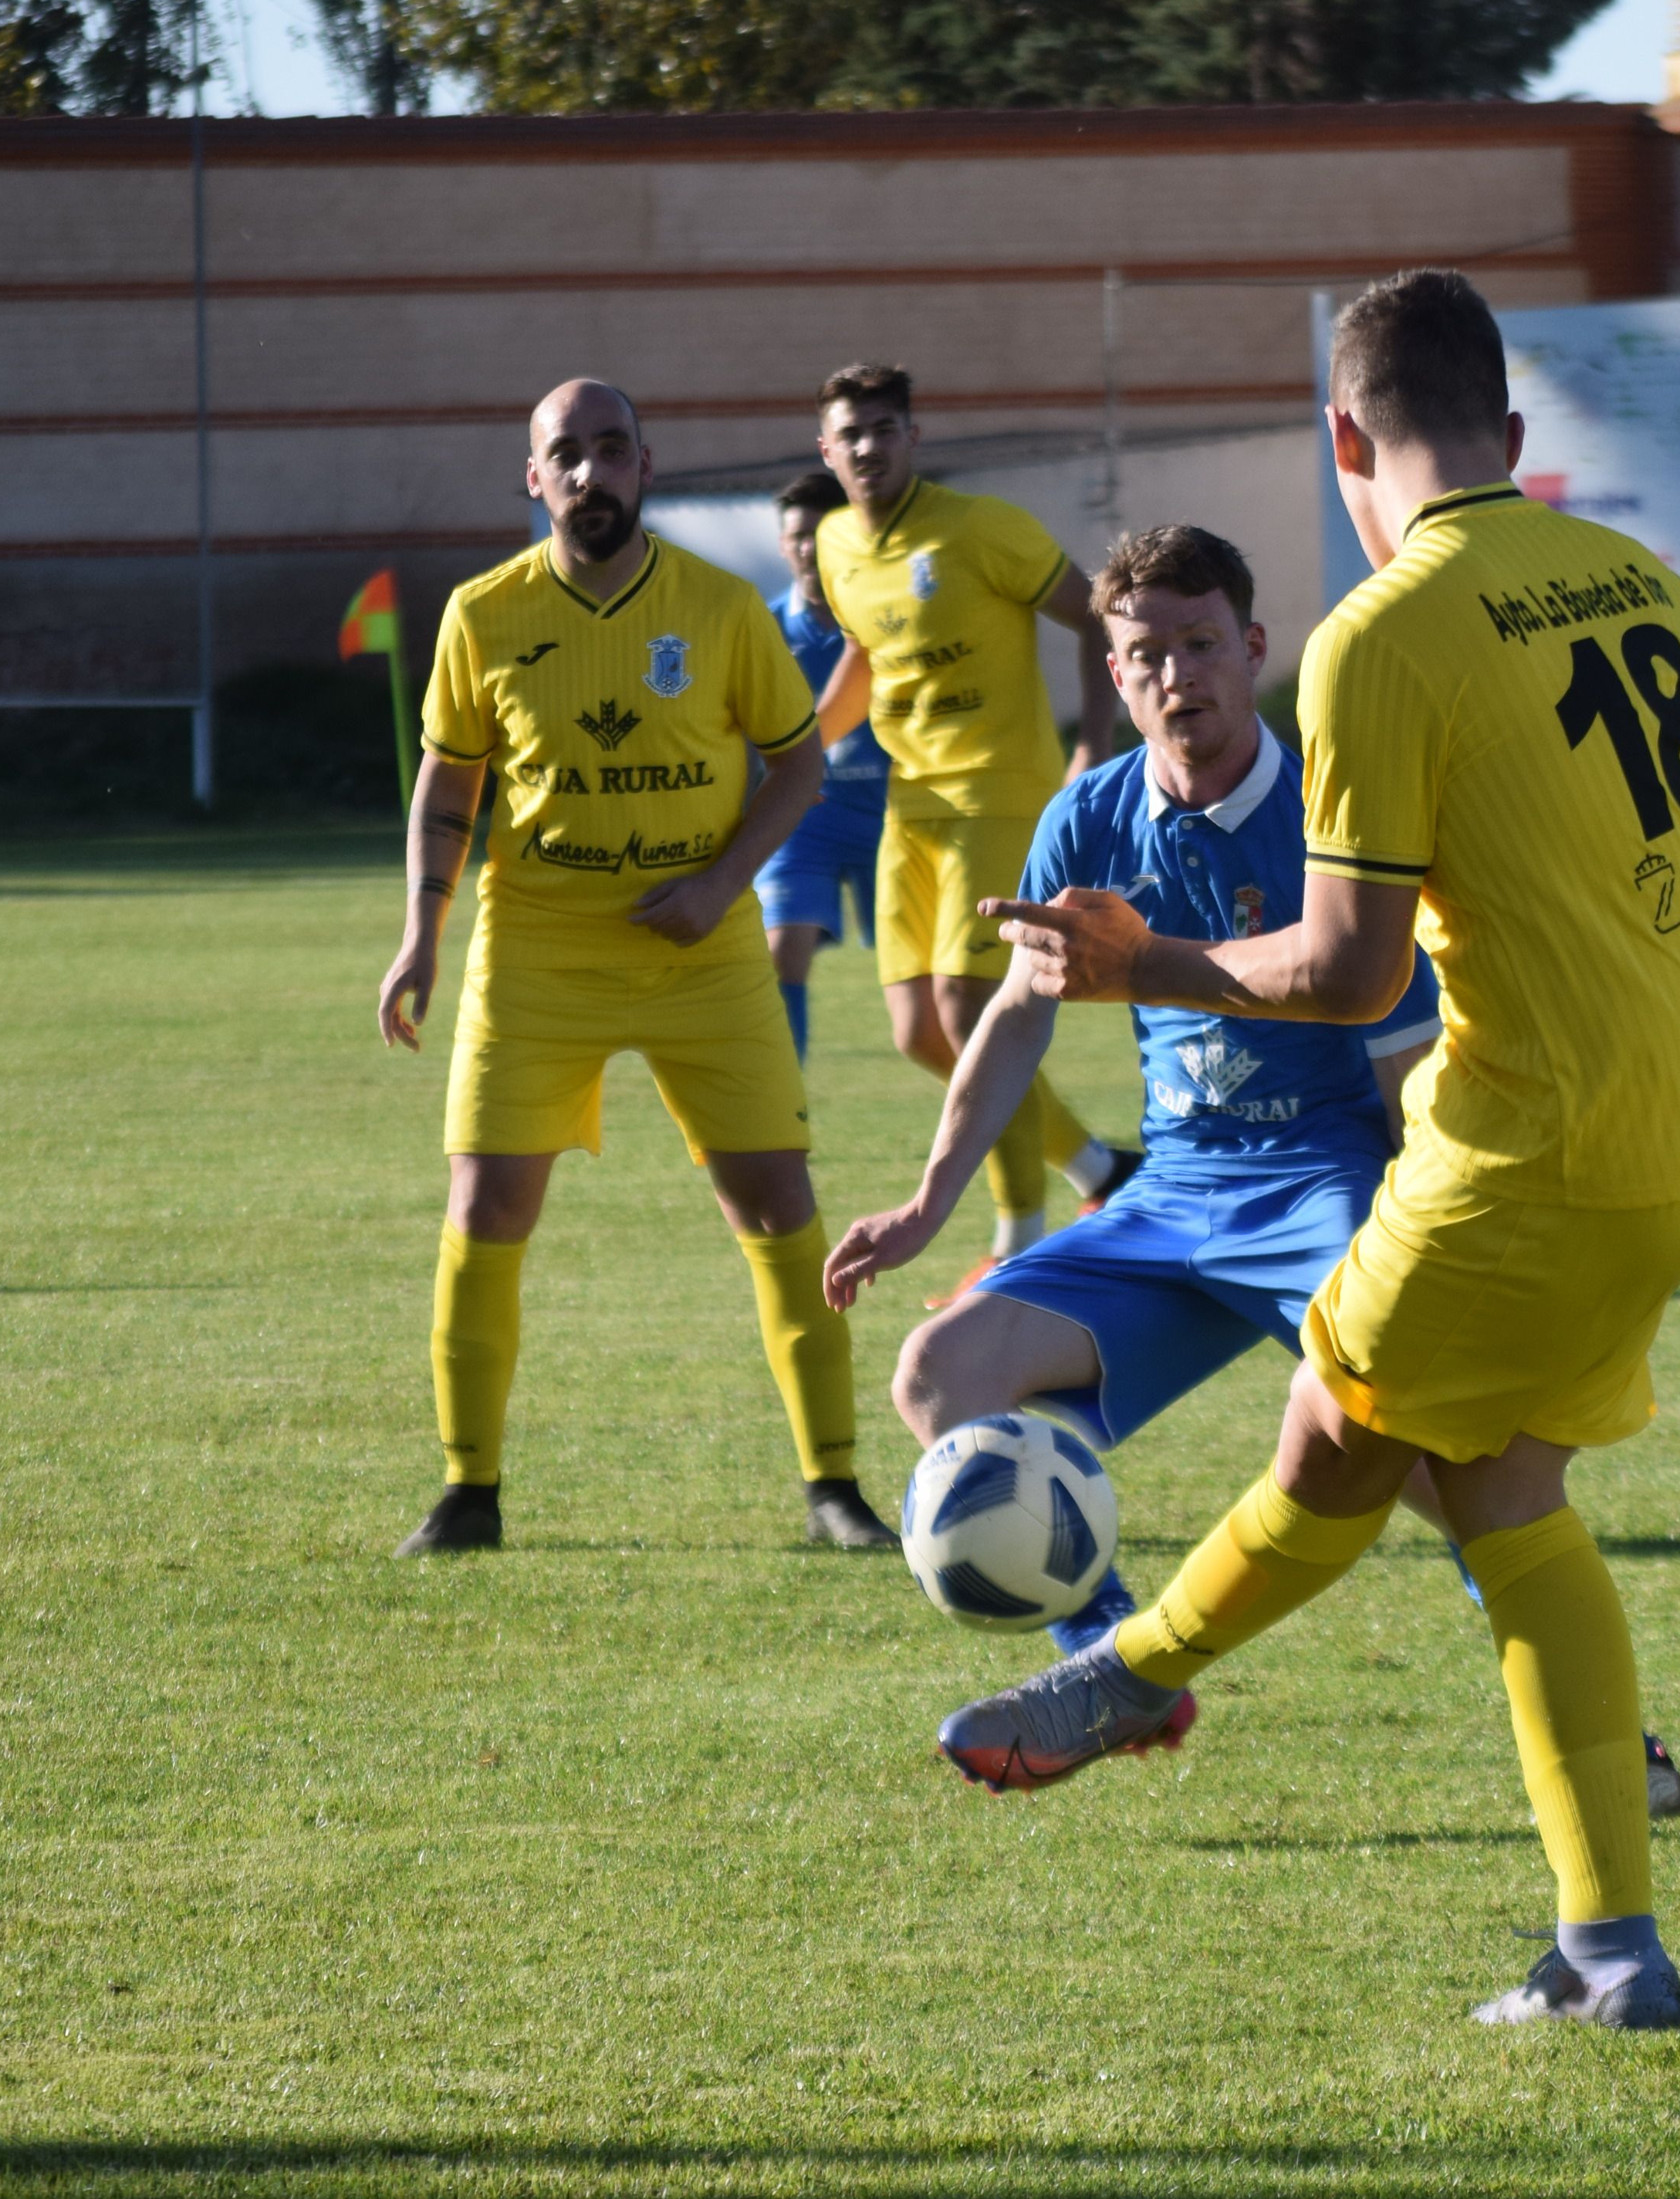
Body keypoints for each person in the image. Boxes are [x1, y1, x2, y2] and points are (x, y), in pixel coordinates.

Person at [929, 270, 1680, 2032]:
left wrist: (1146, 962)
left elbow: (1348, 971)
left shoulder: (1385, 632)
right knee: (1497, 1484)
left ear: (1344, 437)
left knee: (1337, 1438)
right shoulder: (1633, 576)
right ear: (1513, 438)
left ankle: (1132, 1673)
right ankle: (1609, 1946)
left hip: (1537, 1146)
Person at [822, 521, 1680, 1817]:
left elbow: (1411, 1060)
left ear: (1252, 649)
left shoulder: (1336, 811)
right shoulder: (1090, 814)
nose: (1177, 676)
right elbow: (1016, 1014)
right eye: (1143, 656)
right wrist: (928, 1201)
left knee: (1444, 1466)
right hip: (1174, 1197)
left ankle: (1617, 1751)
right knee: (941, 1376)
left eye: (1198, 644)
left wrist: (1449, 1228)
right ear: (1115, 678)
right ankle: (1115, 1664)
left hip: (1328, 1186)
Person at [377, 378, 889, 1557]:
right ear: (535, 477)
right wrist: (423, 932)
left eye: (615, 452)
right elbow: (448, 784)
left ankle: (836, 1489)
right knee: (484, 1204)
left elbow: (799, 766)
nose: (593, 474)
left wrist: (721, 886)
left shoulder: (717, 610)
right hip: (538, 948)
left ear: (646, 467)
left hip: (702, 952)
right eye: (570, 454)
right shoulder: (482, 614)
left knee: (777, 1199)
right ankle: (468, 1495)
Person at [804, 364, 1140, 1307]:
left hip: (999, 793)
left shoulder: (981, 530)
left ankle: (1017, 1245)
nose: (867, 446)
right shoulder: (835, 543)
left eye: (883, 427)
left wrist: (1094, 748)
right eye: (849, 433)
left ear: (912, 436)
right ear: (825, 452)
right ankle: (1101, 1172)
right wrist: (793, 747)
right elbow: (866, 658)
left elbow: (1096, 617)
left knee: (966, 1011)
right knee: (917, 1031)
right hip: (908, 810)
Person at [755, 469, 881, 1063]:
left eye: (819, 532)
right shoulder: (765, 630)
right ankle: (781, 1114)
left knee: (940, 984)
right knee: (782, 949)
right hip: (808, 814)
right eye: (796, 535)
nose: (807, 547)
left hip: (897, 811)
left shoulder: (887, 619)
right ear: (782, 544)